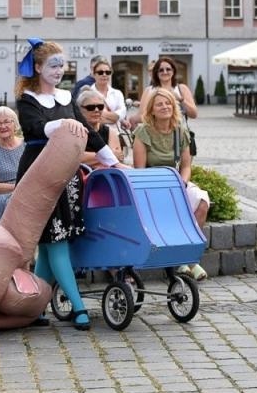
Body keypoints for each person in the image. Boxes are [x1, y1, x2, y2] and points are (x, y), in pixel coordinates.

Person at [15, 39, 95, 329]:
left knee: (50, 245)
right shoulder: (27, 100)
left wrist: (112, 160)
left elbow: (88, 132)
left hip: (67, 175)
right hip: (40, 173)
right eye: (53, 65)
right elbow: (35, 128)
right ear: (38, 68)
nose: (59, 70)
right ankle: (78, 306)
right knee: (56, 240)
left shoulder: (65, 98)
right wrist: (63, 126)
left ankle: (35, 309)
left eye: (62, 65)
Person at [133, 85, 210, 280]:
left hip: (176, 181)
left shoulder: (180, 131)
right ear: (151, 109)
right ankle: (189, 261)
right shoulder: (143, 132)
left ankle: (186, 257)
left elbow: (186, 166)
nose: (165, 106)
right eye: (159, 104)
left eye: (168, 103)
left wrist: (182, 184)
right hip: (152, 185)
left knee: (201, 201)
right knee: (171, 209)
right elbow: (139, 171)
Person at [75, 87, 125, 170]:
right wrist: (108, 155)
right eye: (90, 107)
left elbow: (117, 159)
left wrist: (88, 157)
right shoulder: (75, 131)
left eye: (100, 106)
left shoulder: (110, 133)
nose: (96, 110)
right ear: (80, 109)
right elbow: (76, 158)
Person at [86, 56, 126, 131]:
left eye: (108, 72)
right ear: (94, 74)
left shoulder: (117, 93)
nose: (104, 75)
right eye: (100, 72)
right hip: (96, 135)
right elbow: (90, 118)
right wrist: (114, 118)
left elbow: (122, 114)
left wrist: (102, 114)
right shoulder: (87, 94)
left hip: (116, 135)